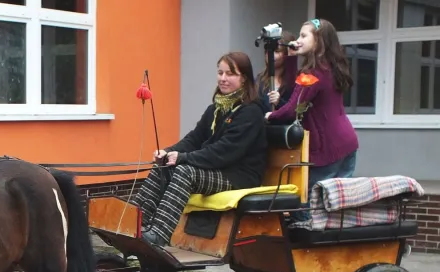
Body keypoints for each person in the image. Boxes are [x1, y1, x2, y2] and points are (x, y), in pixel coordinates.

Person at [130, 51, 268, 247]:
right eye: (220, 73)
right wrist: (168, 152)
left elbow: (225, 152)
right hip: (218, 169)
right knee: (163, 167)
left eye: (230, 74)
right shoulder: (215, 109)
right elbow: (194, 139)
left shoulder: (251, 112)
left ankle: (159, 234)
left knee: (185, 172)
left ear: (244, 78)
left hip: (239, 175)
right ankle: (135, 223)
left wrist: (183, 157)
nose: (223, 78)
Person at [265, 18, 358, 221]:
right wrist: (291, 57)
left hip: (327, 148)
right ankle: (333, 248)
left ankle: (309, 248)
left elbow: (291, 110)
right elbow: (296, 97)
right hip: (347, 143)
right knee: (336, 206)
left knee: (307, 206)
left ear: (319, 41)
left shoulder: (312, 74)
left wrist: (270, 115)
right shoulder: (330, 68)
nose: (298, 40)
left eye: (304, 35)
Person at [256, 30, 299, 115]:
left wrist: (280, 103)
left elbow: (297, 112)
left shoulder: (296, 80)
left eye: (277, 51)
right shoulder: (259, 79)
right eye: (268, 50)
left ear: (286, 52)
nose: (270, 54)